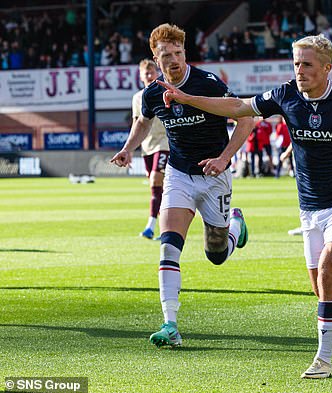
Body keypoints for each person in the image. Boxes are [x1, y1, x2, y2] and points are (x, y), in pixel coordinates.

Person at [156, 34, 332, 378]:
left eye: (307, 64)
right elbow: (238, 107)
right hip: (310, 207)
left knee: (327, 270)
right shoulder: (284, 95)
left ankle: (323, 360)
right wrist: (188, 98)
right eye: (296, 63)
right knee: (326, 287)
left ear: (326, 68)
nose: (299, 70)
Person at [110, 23, 253, 348]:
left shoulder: (208, 83)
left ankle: (235, 226)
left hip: (215, 177)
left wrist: (224, 158)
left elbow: (246, 119)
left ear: (185, 52)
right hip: (179, 175)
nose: (174, 60)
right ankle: (170, 324)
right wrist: (127, 148)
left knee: (216, 254)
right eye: (166, 55)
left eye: (178, 53)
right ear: (156, 59)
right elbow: (143, 122)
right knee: (169, 245)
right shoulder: (151, 94)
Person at [133, 59, 170, 240]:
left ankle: (150, 226)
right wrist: (130, 149)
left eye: (151, 72)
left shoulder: (164, 92)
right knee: (157, 188)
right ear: (140, 77)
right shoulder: (137, 98)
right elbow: (136, 123)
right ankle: (166, 228)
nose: (149, 75)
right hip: (147, 146)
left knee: (156, 180)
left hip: (164, 143)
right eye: (145, 73)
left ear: (157, 73)